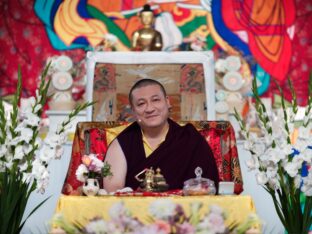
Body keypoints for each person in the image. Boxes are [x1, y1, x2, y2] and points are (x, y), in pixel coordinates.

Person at [103, 79, 219, 192]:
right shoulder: (122, 144)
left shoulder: (190, 138)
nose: (149, 108)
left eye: (156, 100)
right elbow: (113, 193)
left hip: (183, 209)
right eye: (141, 103)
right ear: (133, 111)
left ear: (167, 102)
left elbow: (207, 187)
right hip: (135, 210)